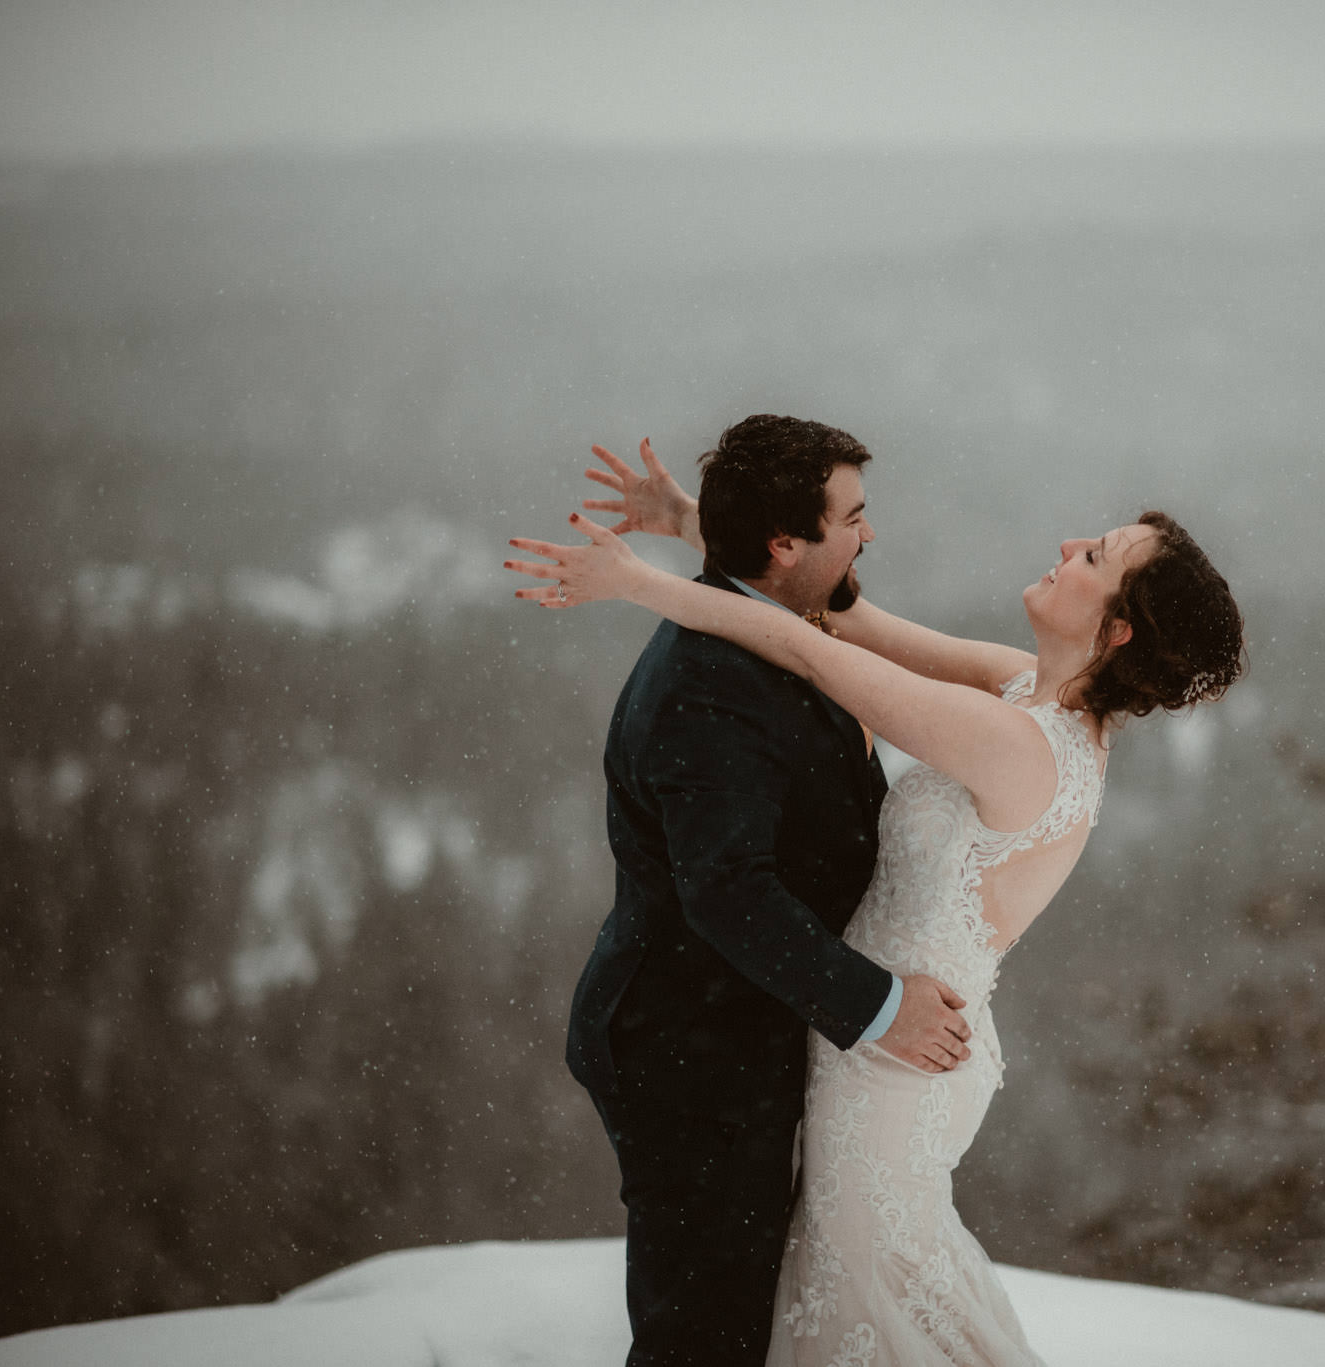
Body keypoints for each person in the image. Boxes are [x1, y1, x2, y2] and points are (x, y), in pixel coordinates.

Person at [508, 423, 1246, 1365]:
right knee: (855, 1297)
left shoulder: (1017, 744)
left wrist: (639, 582)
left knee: (869, 1301)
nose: (1068, 547)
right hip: (883, 1038)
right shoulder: (1031, 694)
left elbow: (814, 650)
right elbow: (847, 618)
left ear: (1117, 629)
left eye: (1094, 556)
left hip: (896, 1063)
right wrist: (704, 525)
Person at [525, 416, 975, 1367]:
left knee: (739, 1303)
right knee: (705, 1327)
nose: (869, 536)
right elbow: (728, 895)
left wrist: (688, 519)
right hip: (688, 1049)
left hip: (736, 1032)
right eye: (853, 518)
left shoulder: (778, 612)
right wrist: (880, 1006)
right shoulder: (707, 686)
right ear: (783, 546)